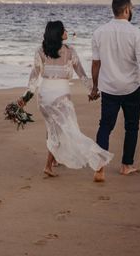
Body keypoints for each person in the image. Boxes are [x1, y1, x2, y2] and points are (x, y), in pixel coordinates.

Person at [21, 21, 113, 177]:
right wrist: (92, 90)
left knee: (52, 127)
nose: (67, 31)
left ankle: (54, 159)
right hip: (60, 96)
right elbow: (81, 74)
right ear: (58, 34)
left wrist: (25, 98)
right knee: (66, 130)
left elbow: (34, 77)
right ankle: (48, 165)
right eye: (64, 30)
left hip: (44, 96)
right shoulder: (70, 51)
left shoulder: (40, 51)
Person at [91, 0, 140, 182]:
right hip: (132, 88)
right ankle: (126, 165)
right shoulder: (136, 33)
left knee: (105, 126)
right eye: (132, 8)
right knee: (131, 127)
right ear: (126, 10)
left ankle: (99, 168)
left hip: (109, 87)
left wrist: (94, 88)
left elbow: (96, 64)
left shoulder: (99, 32)